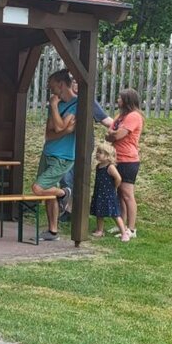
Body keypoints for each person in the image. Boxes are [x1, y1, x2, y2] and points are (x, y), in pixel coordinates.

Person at [32, 69, 106, 241]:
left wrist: (56, 112)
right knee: (47, 194)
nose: (50, 91)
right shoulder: (55, 104)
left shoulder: (77, 104)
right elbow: (50, 133)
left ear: (61, 84)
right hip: (48, 152)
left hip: (63, 157)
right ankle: (52, 231)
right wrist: (63, 126)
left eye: (52, 87)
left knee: (38, 189)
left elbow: (57, 128)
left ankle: (65, 193)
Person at [106, 88, 144, 239]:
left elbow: (119, 134)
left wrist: (113, 135)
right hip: (116, 159)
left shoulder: (134, 116)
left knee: (128, 194)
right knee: (120, 194)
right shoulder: (120, 116)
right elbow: (109, 134)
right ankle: (121, 225)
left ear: (127, 100)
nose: (118, 100)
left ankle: (132, 229)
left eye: (120, 98)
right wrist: (113, 135)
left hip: (128, 160)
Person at [90, 143, 131, 242]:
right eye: (97, 152)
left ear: (108, 155)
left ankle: (124, 233)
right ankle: (100, 230)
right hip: (99, 192)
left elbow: (118, 178)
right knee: (99, 212)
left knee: (115, 214)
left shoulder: (110, 167)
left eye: (100, 152)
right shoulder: (98, 166)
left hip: (109, 194)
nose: (97, 154)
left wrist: (114, 187)